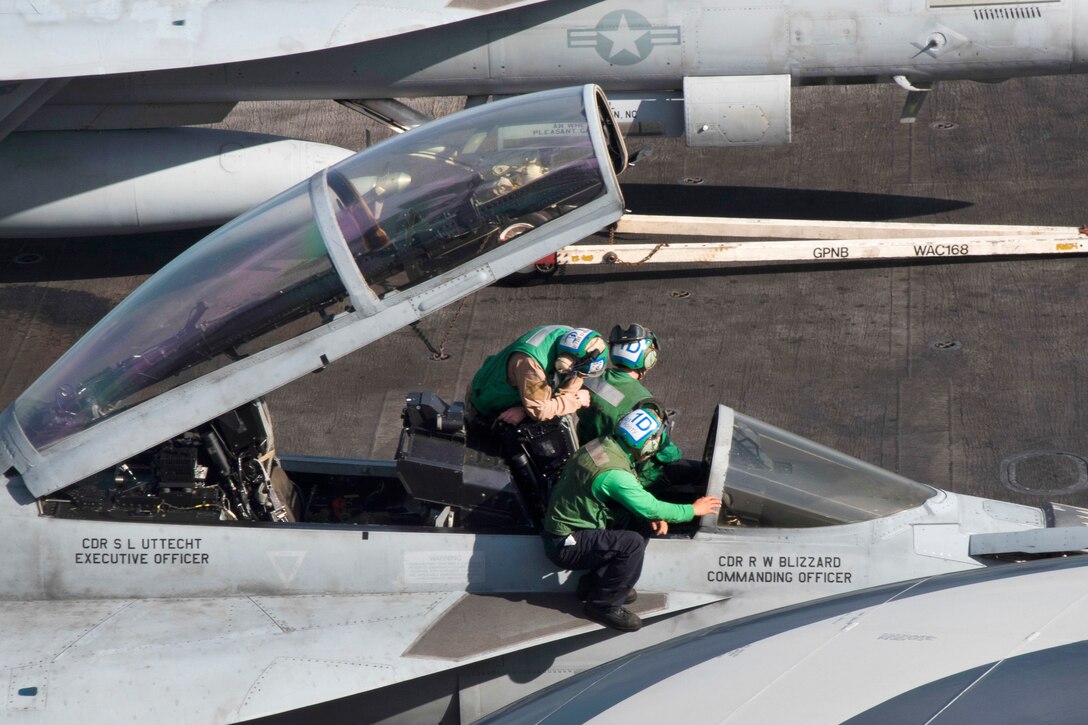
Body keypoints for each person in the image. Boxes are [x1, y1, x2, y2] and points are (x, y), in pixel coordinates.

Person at [542, 406, 723, 632]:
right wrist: (693, 510)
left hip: (576, 528)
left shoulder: (605, 444)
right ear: (646, 443)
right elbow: (651, 507)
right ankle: (602, 605)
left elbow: (639, 502)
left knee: (640, 522)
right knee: (631, 544)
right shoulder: (615, 475)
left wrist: (651, 515)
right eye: (656, 438)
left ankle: (595, 585)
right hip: (565, 543)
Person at [577, 324, 688, 489]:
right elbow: (665, 454)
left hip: (589, 457)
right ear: (648, 358)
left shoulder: (592, 381)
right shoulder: (645, 403)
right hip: (630, 473)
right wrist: (677, 456)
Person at [467, 325, 608, 426]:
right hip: (488, 403)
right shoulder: (532, 365)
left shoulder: (570, 338)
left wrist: (525, 409)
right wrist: (576, 400)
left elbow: (569, 385)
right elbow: (539, 410)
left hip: (518, 394)